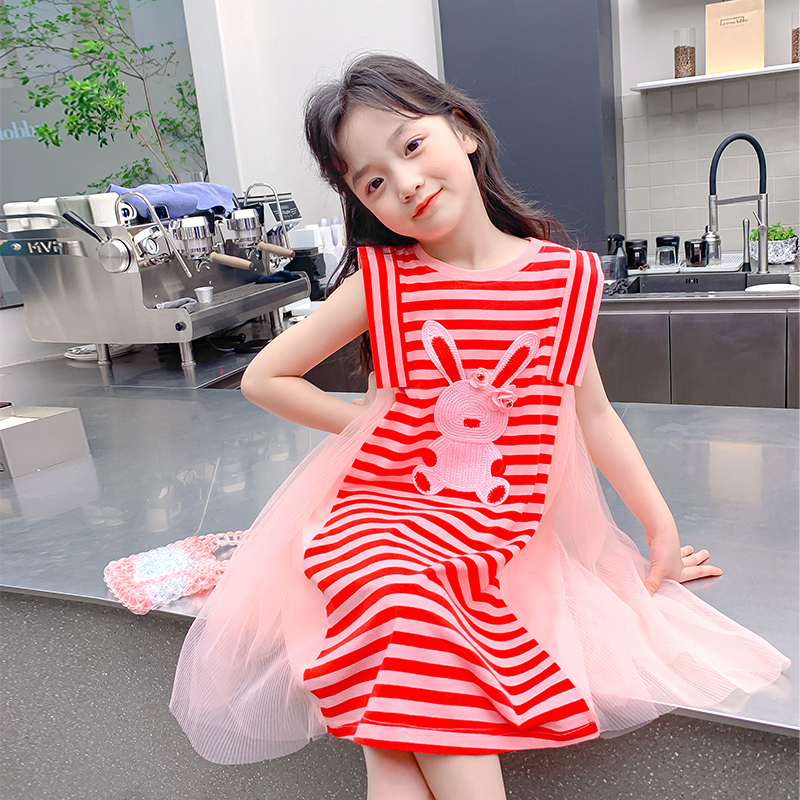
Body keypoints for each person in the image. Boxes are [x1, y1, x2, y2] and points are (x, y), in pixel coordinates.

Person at [170, 54, 790, 800]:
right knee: (404, 598)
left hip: (497, 527)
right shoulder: (387, 282)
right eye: (372, 182)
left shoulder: (563, 280)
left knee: (392, 725)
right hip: (382, 513)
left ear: (462, 130)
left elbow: (592, 414)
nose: (404, 183)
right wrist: (376, 421)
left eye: (411, 145)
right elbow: (265, 378)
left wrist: (658, 529)